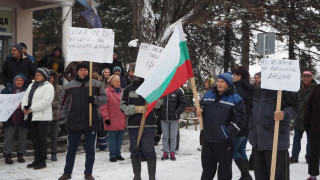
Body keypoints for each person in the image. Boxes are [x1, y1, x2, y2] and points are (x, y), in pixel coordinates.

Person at [58, 63, 107, 180]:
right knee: (71, 150)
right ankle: (67, 172)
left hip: (91, 121)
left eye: (85, 70)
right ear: (77, 72)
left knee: (90, 149)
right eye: (81, 70)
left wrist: (94, 99)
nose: (83, 72)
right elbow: (63, 104)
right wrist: (61, 120)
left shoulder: (96, 85)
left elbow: (104, 99)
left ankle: (88, 173)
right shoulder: (69, 86)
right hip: (74, 121)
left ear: (88, 72)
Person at [197, 72, 246, 180]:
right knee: (207, 172)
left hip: (224, 142)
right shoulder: (209, 94)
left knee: (224, 173)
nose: (219, 84)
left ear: (228, 84)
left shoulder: (236, 99)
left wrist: (226, 132)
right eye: (218, 81)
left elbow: (240, 120)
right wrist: (201, 111)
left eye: (222, 82)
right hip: (208, 139)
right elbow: (201, 107)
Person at [248, 81, 297, 180]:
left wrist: (284, 114)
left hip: (276, 143)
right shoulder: (257, 90)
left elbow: (294, 108)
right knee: (260, 176)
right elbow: (250, 112)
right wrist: (251, 129)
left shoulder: (283, 90)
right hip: (258, 144)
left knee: (279, 177)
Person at [120, 76, 162, 180]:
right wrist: (136, 109)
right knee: (135, 150)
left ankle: (152, 177)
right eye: (133, 72)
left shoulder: (152, 88)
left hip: (149, 124)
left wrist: (151, 103)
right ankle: (137, 177)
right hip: (133, 125)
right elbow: (122, 107)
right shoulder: (127, 89)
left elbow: (160, 103)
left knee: (149, 151)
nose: (135, 75)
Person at [21, 67, 54, 170]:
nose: (36, 76)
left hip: (42, 117)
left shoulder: (48, 86)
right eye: (36, 74)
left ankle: (42, 161)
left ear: (45, 76)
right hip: (31, 115)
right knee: (34, 139)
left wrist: (31, 108)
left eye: (39, 75)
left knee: (41, 140)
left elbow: (46, 101)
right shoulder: (32, 85)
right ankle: (36, 160)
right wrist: (24, 107)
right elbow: (25, 97)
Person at [290, 71, 317, 164]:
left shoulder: (316, 88)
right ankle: (294, 156)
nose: (305, 78)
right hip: (298, 117)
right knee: (296, 138)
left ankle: (309, 156)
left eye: (307, 76)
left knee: (310, 139)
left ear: (311, 77)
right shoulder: (297, 87)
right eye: (304, 76)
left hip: (310, 118)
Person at [232, 66, 254, 180]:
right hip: (248, 123)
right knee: (241, 149)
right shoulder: (250, 87)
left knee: (233, 150)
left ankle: (246, 174)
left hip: (239, 124)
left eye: (234, 75)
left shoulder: (238, 89)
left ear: (239, 76)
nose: (232, 77)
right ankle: (245, 175)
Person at [1, 74, 28, 164]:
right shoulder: (7, 90)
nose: (19, 82)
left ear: (24, 81)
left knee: (22, 137)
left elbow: (31, 101)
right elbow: (2, 102)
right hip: (10, 118)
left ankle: (20, 154)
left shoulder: (27, 90)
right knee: (8, 137)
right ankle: (7, 155)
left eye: (21, 80)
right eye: (17, 80)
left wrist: (23, 105)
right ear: (14, 81)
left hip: (23, 118)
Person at [100, 75, 126, 162]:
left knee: (120, 138)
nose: (119, 83)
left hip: (122, 118)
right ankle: (112, 155)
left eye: (119, 81)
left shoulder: (123, 91)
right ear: (112, 82)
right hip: (112, 119)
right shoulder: (107, 92)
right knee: (112, 138)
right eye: (117, 81)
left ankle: (118, 153)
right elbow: (103, 106)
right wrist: (106, 118)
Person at [160, 88, 186, 161]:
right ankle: (165, 153)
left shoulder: (178, 90)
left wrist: (177, 113)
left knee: (173, 136)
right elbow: (157, 102)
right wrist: (159, 113)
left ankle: (172, 152)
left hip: (174, 118)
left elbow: (183, 103)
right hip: (163, 117)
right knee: (165, 136)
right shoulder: (162, 89)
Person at [304, 84, 320, 180]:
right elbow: (308, 106)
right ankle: (312, 176)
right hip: (316, 127)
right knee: (314, 152)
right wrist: (307, 123)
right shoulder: (316, 89)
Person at [198, 77, 215, 151]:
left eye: (207, 83)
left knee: (206, 130)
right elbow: (202, 102)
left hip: (210, 114)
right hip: (203, 113)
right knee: (202, 129)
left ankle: (206, 144)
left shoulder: (213, 92)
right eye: (205, 82)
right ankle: (202, 144)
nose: (205, 84)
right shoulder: (204, 92)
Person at [48, 70, 62, 161]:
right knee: (43, 135)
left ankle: (54, 153)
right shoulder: (43, 87)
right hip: (44, 115)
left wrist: (47, 104)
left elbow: (59, 101)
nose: (51, 79)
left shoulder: (58, 88)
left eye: (53, 77)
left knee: (54, 135)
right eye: (50, 77)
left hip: (55, 114)